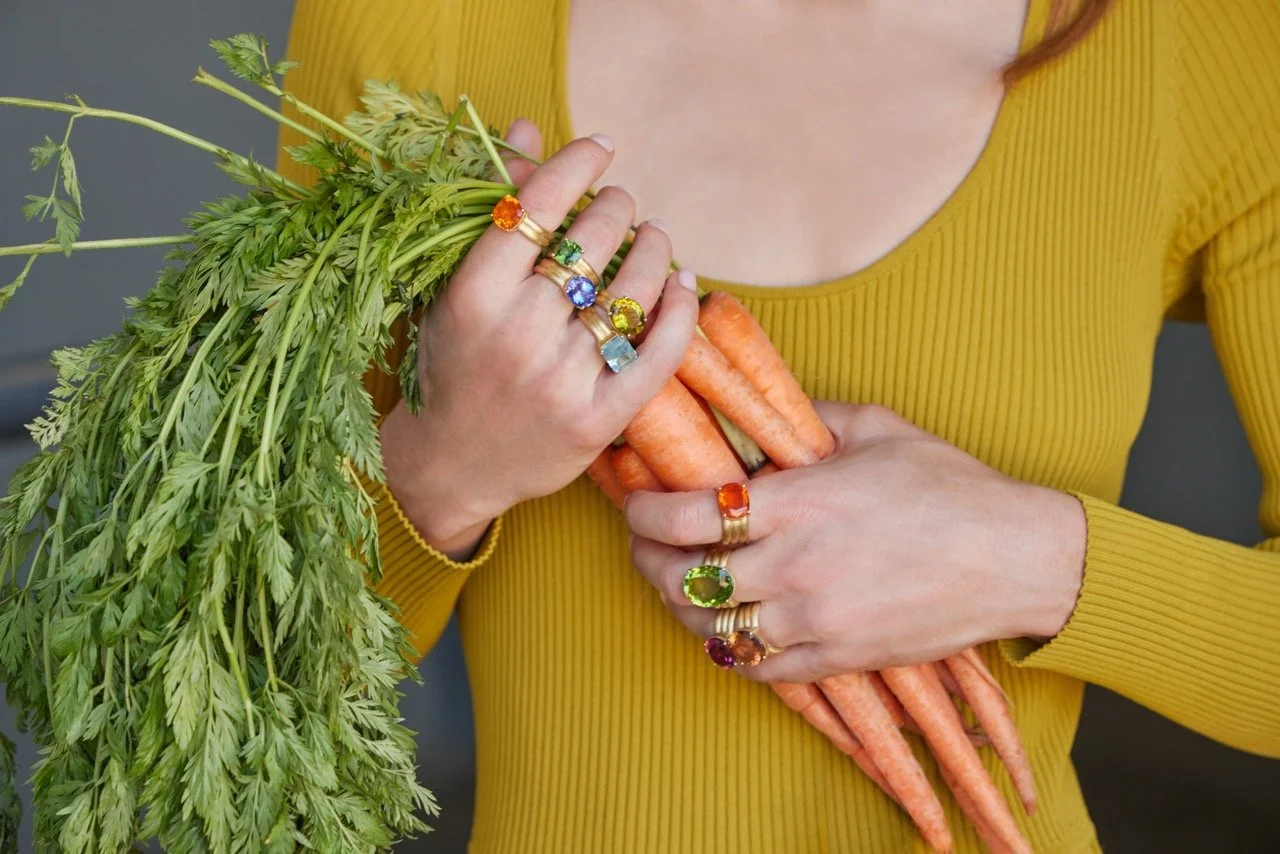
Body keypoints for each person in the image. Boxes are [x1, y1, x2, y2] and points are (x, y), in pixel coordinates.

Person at [278, 0, 1280, 850]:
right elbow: (256, 676)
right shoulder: (422, 26)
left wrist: (1028, 558)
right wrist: (442, 469)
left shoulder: (1198, 40)